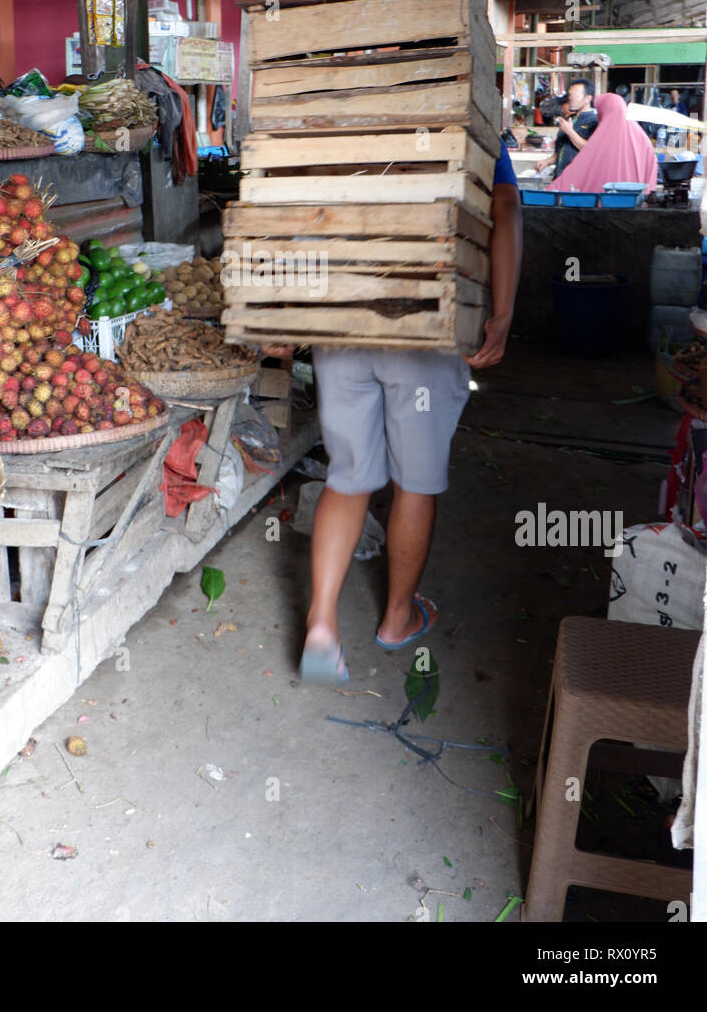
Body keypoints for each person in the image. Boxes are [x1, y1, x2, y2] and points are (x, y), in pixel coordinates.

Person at [262, 145, 523, 685]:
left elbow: (292, 208)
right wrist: (501, 313)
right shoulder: (462, 114)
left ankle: (321, 625)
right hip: (424, 321)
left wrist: (281, 310)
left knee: (350, 475)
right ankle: (397, 619)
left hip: (344, 320)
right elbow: (506, 208)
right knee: (415, 484)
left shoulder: (350, 111)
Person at [547, 90, 658, 193]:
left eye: (601, 114)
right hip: (636, 204)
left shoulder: (604, 137)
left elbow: (582, 163)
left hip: (607, 204)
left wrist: (555, 188)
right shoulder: (643, 138)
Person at [534, 78, 598, 179]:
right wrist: (547, 161)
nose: (570, 98)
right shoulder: (569, 119)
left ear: (588, 98)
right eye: (570, 94)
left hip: (579, 180)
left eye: (575, 94)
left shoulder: (594, 121)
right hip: (560, 177)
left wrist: (569, 131)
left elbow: (591, 150)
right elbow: (561, 151)